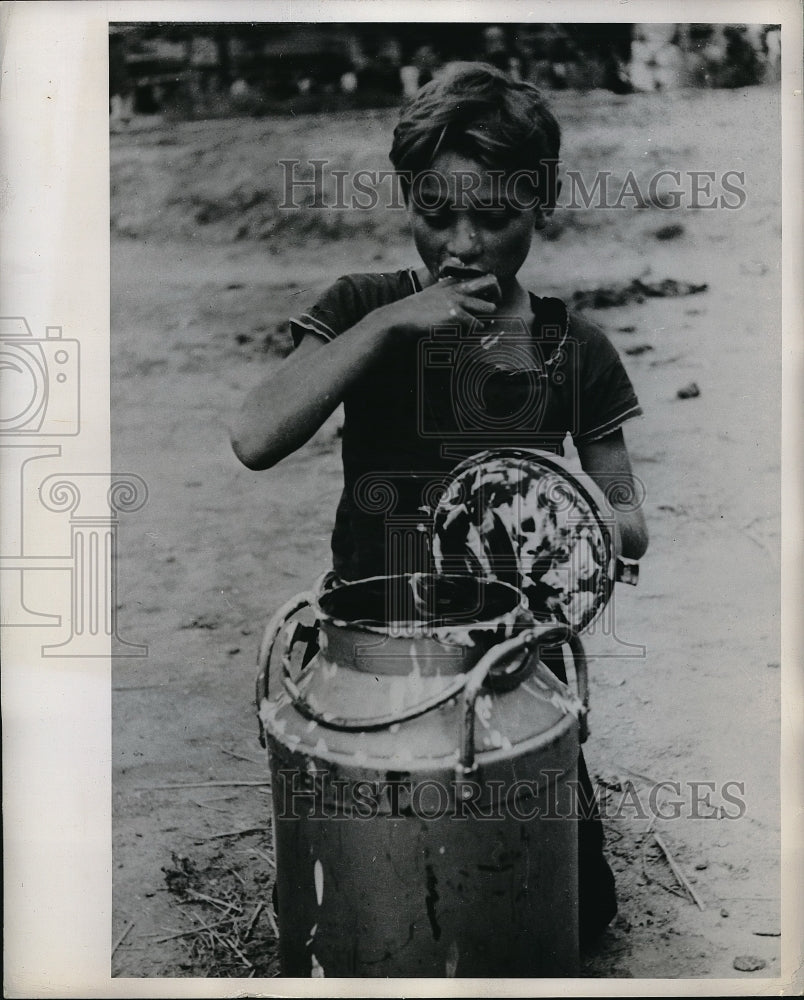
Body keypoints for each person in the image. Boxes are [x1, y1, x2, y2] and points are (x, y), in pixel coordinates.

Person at [231, 62, 648, 949]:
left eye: (494, 218)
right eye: (435, 213)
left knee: (568, 916)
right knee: (362, 902)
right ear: (407, 199)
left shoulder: (573, 350)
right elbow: (256, 436)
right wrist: (390, 326)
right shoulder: (363, 308)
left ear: (542, 203)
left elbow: (624, 512)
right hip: (374, 653)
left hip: (510, 666)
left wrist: (571, 519)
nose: (461, 245)